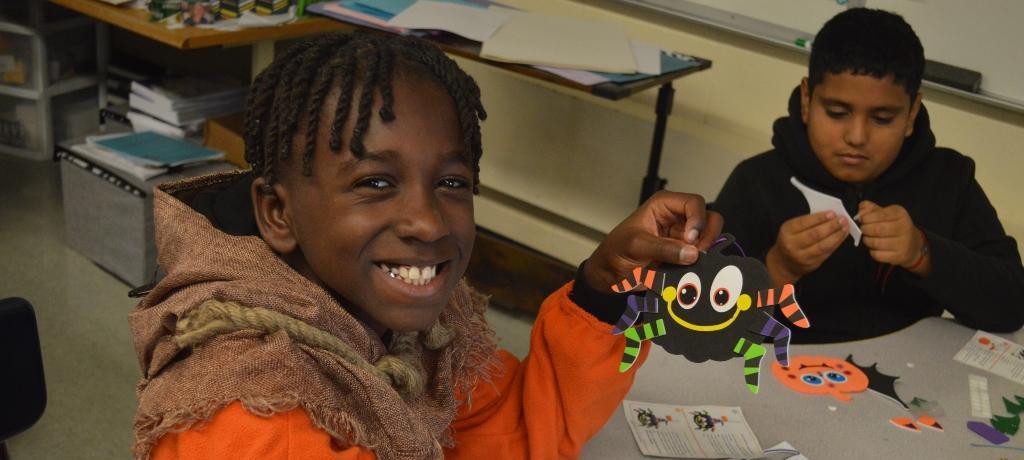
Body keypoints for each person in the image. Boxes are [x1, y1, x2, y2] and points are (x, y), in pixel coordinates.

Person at [129, 32, 722, 459]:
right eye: (375, 183)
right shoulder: (262, 418)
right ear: (278, 212)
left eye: (451, 183)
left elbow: (516, 430)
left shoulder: (421, 330)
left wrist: (600, 288)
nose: (428, 222)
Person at [711, 8, 1024, 343]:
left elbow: (1011, 305)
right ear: (806, 100)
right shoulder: (758, 180)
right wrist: (778, 268)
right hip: (784, 367)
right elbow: (699, 316)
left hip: (909, 369)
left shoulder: (949, 179)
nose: (857, 137)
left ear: (911, 114)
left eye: (883, 118)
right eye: (836, 112)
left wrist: (922, 252)